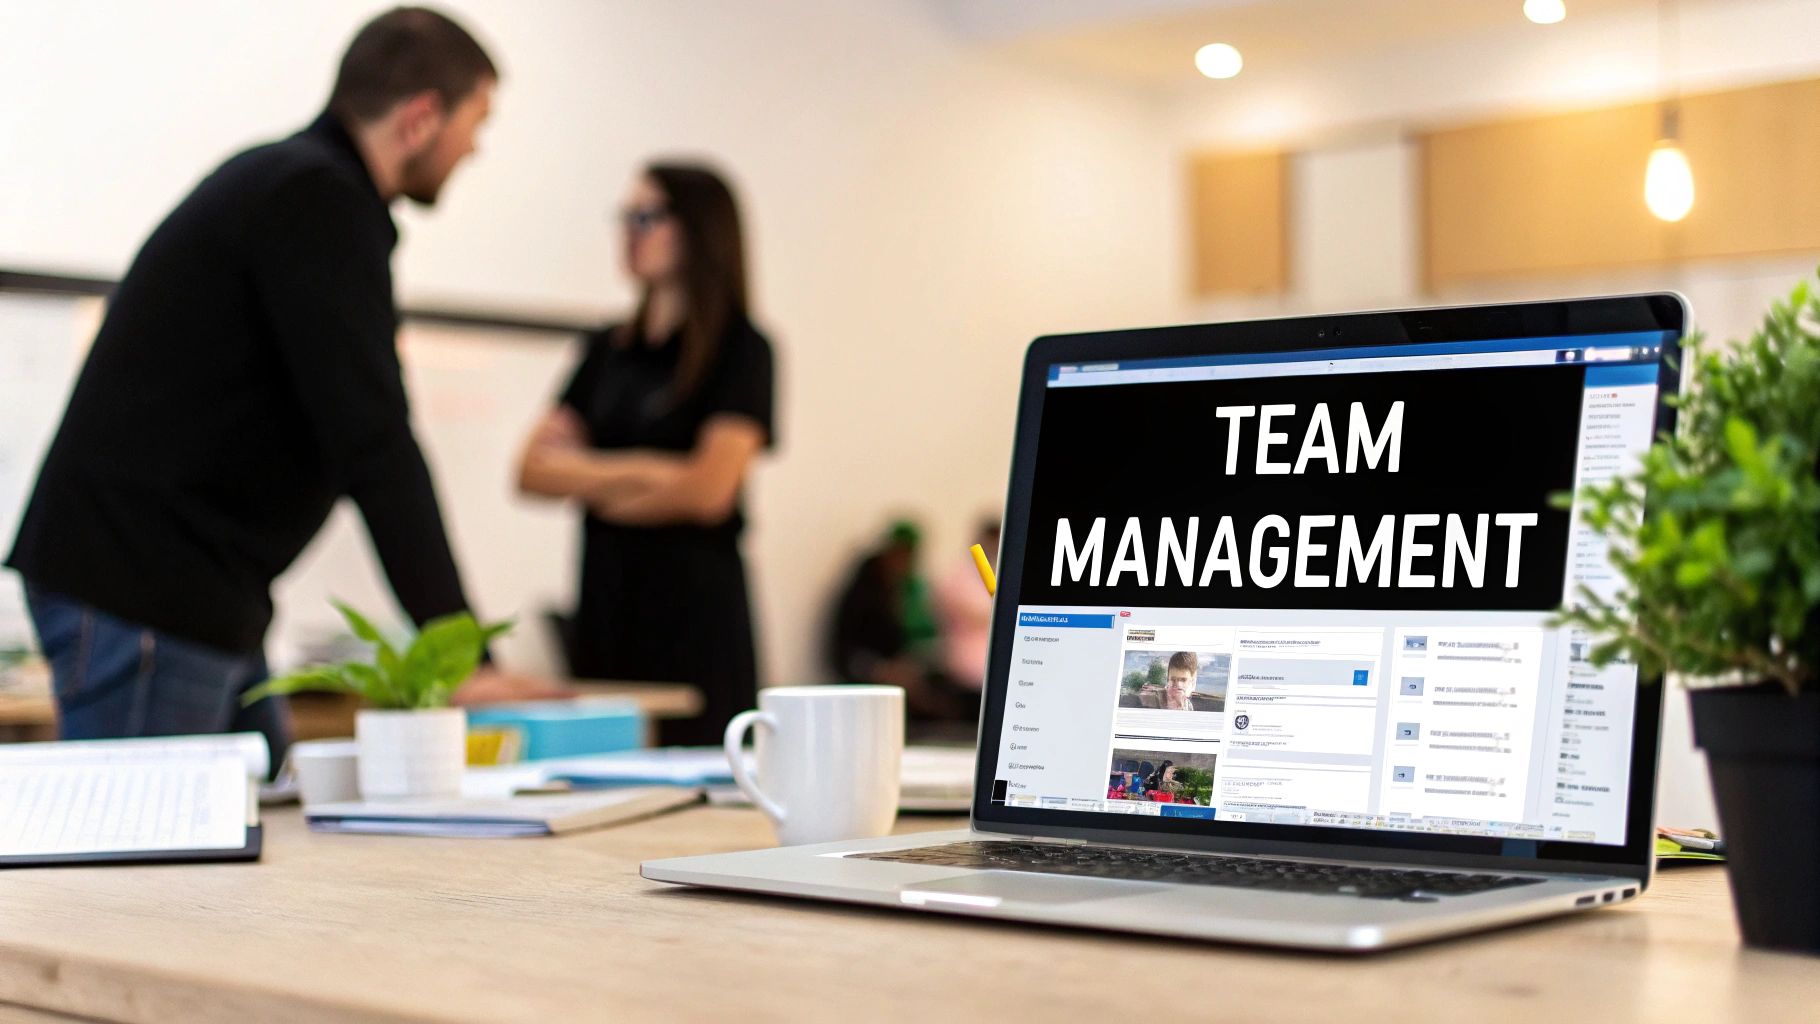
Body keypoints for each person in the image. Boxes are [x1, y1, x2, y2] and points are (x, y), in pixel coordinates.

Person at [5, 8, 553, 763]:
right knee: (148, 835)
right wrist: (460, 655)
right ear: (422, 117)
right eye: (475, 123)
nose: (475, 148)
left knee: (262, 823)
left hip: (194, 591)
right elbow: (373, 438)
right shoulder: (316, 200)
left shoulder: (296, 187)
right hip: (145, 587)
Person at [516, 163, 776, 747]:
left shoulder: (741, 350)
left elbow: (709, 492)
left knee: (709, 779)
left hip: (695, 618)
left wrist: (588, 478)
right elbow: (531, 470)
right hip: (608, 605)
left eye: (647, 216)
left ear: (698, 229)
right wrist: (654, 472)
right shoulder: (606, 349)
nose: (630, 232)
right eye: (625, 217)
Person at [932, 519, 999, 694]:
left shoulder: (997, 574)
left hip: (992, 661)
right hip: (968, 665)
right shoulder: (959, 577)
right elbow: (975, 615)